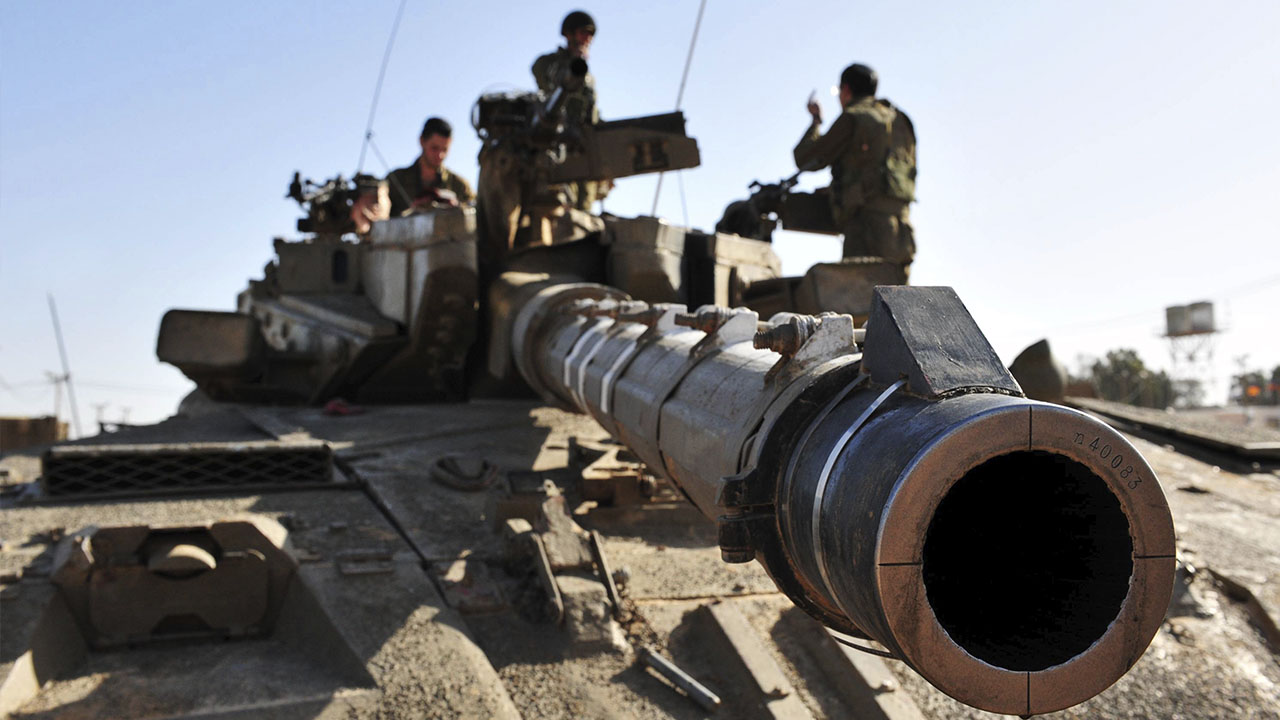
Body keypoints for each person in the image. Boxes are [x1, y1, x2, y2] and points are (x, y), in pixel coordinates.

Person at [793, 63, 917, 278]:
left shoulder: (854, 117)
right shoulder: (901, 120)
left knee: (860, 300)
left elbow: (805, 158)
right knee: (895, 303)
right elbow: (882, 171)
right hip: (901, 232)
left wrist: (815, 121)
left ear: (846, 90)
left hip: (865, 228)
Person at [530, 10, 607, 211]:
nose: (587, 39)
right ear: (569, 34)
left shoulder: (589, 78)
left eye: (590, 35)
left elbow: (592, 114)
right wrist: (570, 63)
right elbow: (544, 77)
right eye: (583, 32)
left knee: (584, 211)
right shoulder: (548, 63)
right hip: (559, 145)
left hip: (584, 149)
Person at [351, 117, 474, 233]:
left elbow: (476, 216)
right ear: (422, 141)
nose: (440, 155)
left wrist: (456, 208)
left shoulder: (459, 186)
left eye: (445, 150)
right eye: (434, 148)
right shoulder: (396, 179)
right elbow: (378, 211)